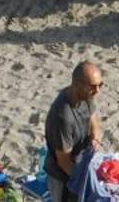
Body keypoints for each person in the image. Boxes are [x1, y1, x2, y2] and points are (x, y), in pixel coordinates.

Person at [43, 63, 103, 202]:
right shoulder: (63, 117)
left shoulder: (86, 97)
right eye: (93, 86)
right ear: (76, 84)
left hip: (81, 162)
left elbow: (94, 123)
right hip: (63, 177)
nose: (98, 91)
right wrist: (85, 182)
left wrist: (96, 140)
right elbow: (64, 162)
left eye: (100, 85)